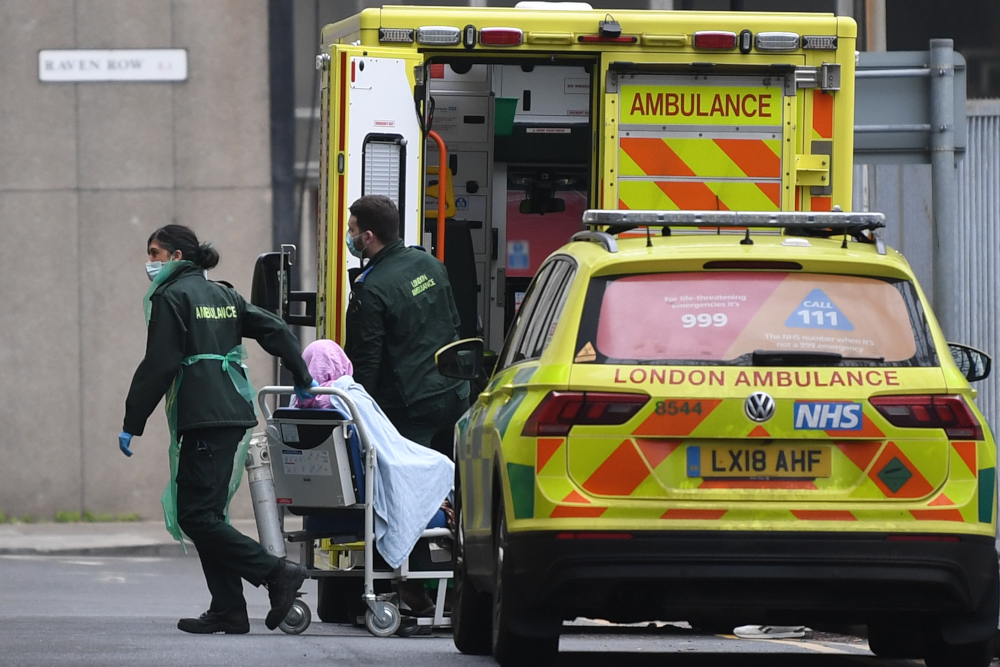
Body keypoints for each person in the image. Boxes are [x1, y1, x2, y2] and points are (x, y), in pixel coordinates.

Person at [119, 224, 318, 635]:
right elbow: (276, 329)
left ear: (177, 258)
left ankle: (276, 573)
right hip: (230, 411)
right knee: (207, 514)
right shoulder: (224, 295)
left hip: (205, 416)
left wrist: (131, 422)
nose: (150, 262)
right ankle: (228, 608)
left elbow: (159, 364)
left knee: (196, 516)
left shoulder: (172, 297)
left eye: (156, 253)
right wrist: (301, 375)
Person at [291, 339, 455, 615]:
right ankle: (432, 592)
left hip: (315, 508)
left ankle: (415, 590)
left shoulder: (293, 409)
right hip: (359, 507)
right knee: (438, 475)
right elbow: (387, 450)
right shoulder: (349, 399)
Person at [344, 195, 469, 458]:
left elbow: (367, 361)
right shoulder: (431, 264)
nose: (348, 236)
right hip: (455, 395)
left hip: (413, 408)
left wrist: (356, 412)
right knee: (452, 484)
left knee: (412, 490)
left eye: (351, 231)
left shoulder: (371, 289)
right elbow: (454, 323)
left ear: (368, 237)